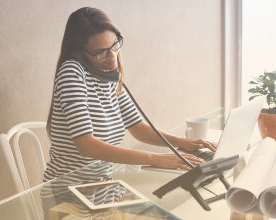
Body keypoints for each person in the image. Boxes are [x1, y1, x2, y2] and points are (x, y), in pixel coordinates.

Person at [44, 6, 216, 186]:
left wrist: (182, 142)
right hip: (67, 192)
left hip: (103, 188)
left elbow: (138, 128)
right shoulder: (72, 72)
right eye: (101, 52)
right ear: (79, 53)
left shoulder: (107, 75)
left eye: (114, 45)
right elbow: (86, 145)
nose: (112, 57)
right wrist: (155, 158)